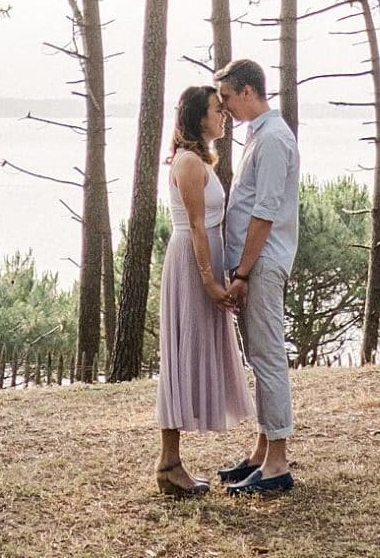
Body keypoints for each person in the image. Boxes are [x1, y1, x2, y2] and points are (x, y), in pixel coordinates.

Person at [154, 84, 254, 499]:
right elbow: (196, 227)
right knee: (182, 355)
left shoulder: (200, 160)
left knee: (192, 353)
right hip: (192, 266)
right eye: (217, 109)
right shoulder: (190, 163)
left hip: (205, 258)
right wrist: (210, 281)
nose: (224, 115)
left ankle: (171, 462)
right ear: (198, 117)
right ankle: (168, 463)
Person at [214, 57, 300, 497]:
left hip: (261, 264)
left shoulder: (272, 141)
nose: (222, 106)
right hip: (252, 264)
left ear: (248, 91)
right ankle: (261, 452)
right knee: (259, 357)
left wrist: (243, 272)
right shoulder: (258, 136)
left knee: (268, 357)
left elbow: (264, 214)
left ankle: (278, 462)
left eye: (227, 97)